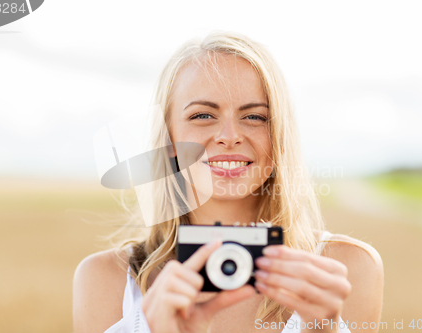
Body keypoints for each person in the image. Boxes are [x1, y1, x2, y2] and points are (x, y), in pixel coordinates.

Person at [73, 31, 384, 333]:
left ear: (279, 136)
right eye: (202, 115)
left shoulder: (349, 269)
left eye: (255, 117)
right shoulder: (106, 280)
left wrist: (322, 331)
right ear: (167, 138)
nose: (229, 136)